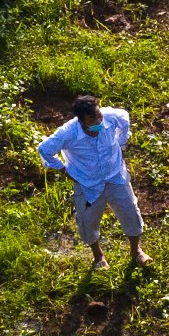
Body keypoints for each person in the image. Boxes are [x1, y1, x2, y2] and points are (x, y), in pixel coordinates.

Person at [36, 94, 146, 268]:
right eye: (92, 120)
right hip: (87, 184)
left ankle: (136, 251)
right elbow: (44, 149)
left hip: (116, 176)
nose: (98, 121)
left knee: (131, 212)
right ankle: (98, 256)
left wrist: (121, 142)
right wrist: (63, 169)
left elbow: (125, 119)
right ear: (81, 120)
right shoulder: (68, 132)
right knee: (88, 221)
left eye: (99, 116)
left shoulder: (111, 116)